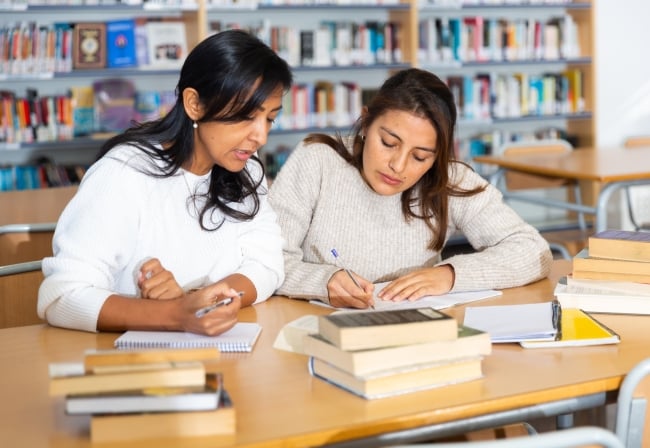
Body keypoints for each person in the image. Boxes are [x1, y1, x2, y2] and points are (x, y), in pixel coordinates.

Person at [38, 29, 293, 334]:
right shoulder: (123, 174)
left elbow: (267, 265)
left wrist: (204, 303)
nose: (260, 136)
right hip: (128, 364)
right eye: (246, 116)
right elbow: (62, 296)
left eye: (269, 119)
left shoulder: (247, 171)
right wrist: (176, 313)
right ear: (194, 104)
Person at [268, 68, 553, 309]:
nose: (399, 166)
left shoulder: (450, 180)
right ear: (366, 123)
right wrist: (323, 281)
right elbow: (266, 261)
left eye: (420, 156)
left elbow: (533, 251)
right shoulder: (317, 160)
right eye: (389, 143)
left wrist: (451, 275)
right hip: (313, 328)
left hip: (416, 334)